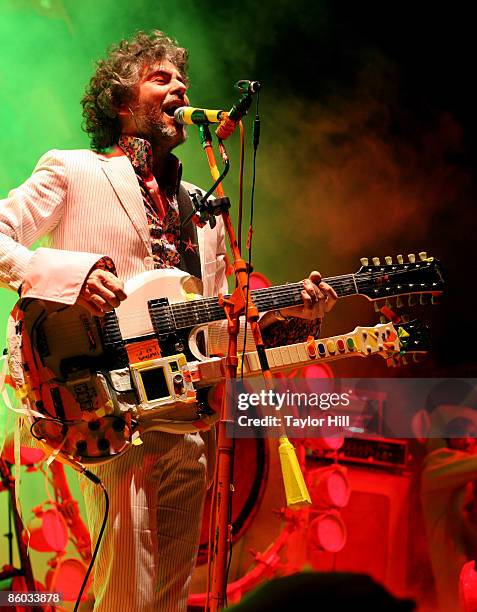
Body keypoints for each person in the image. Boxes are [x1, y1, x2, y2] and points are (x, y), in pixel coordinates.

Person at [0, 31, 337, 611]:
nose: (180, 88)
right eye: (161, 78)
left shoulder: (202, 205)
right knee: (129, 590)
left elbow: (219, 327)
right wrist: (68, 276)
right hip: (103, 404)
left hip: (184, 420)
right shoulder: (74, 171)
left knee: (167, 598)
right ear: (119, 102)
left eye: (183, 80)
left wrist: (291, 316)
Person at [421, 416, 477, 612]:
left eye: (473, 436)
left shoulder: (462, 472)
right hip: (447, 556)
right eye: (462, 435)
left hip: (460, 557)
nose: (468, 440)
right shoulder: (438, 463)